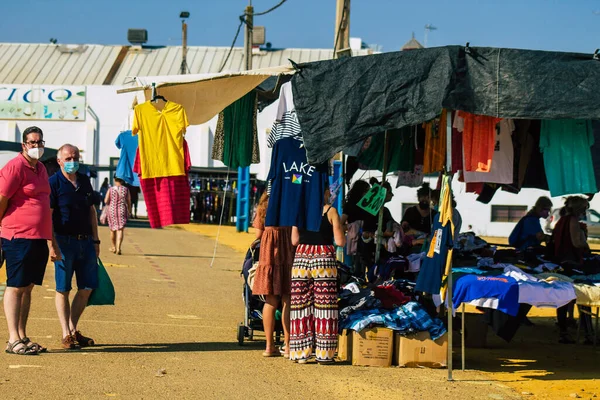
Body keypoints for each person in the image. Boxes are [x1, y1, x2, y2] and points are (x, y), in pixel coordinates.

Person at [0, 126, 52, 355]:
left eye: (40, 142)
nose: (37, 146)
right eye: (32, 142)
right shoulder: (14, 167)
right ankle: (12, 339)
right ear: (24, 145)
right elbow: (2, 199)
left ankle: (22, 335)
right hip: (17, 235)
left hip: (37, 237)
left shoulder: (41, 168)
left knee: (28, 287)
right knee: (15, 286)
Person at [49, 144, 101, 349]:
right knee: (63, 288)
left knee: (87, 287)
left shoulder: (84, 181)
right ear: (60, 161)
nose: (73, 161)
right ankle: (65, 333)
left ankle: (72, 328)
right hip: (64, 242)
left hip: (86, 241)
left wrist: (96, 241)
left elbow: (92, 212)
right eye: (68, 158)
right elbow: (48, 216)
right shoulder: (53, 183)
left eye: (76, 157)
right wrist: (51, 244)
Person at [289, 188, 346, 364]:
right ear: (327, 191)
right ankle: (324, 354)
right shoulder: (331, 211)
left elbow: (294, 241)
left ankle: (301, 354)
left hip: (302, 257)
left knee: (300, 306)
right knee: (325, 306)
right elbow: (340, 241)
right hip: (324, 258)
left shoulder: (299, 210)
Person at [252, 192, 294, 358]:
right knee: (287, 300)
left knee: (270, 301)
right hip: (287, 256)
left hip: (269, 257)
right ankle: (289, 345)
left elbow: (257, 235)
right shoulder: (288, 207)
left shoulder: (263, 208)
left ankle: (269, 346)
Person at [549, 196, 593, 344]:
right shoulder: (573, 221)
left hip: (561, 262)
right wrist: (583, 236)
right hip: (573, 263)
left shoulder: (561, 220)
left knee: (562, 298)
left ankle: (564, 333)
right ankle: (588, 334)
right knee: (583, 297)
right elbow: (577, 243)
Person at [105, 177, 131, 255]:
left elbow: (106, 200)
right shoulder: (126, 189)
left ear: (115, 180)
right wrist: (129, 210)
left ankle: (113, 247)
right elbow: (129, 201)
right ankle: (119, 248)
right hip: (122, 210)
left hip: (112, 210)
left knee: (113, 229)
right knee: (120, 229)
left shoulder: (111, 189)